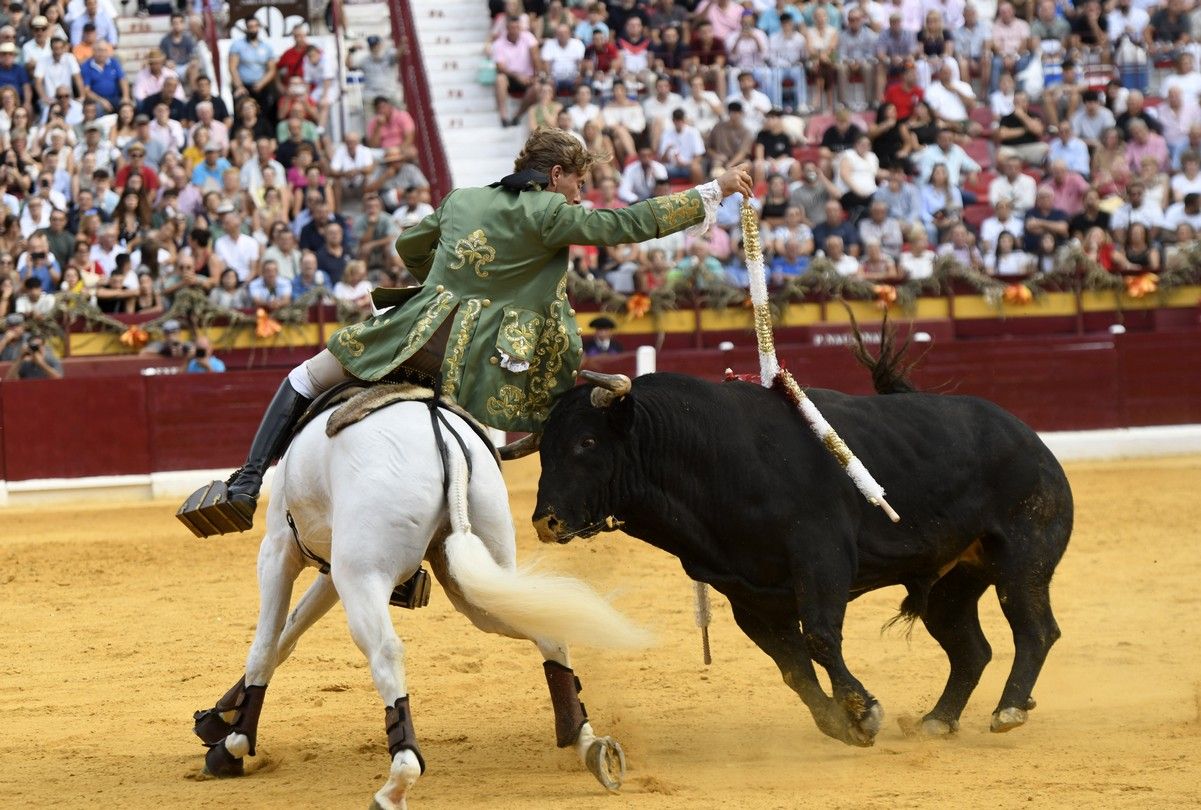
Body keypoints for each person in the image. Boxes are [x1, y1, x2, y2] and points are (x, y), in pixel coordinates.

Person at [177, 129, 753, 535]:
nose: (580, 194)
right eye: (578, 183)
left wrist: (437, 285)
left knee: (306, 377)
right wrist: (713, 190)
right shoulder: (549, 213)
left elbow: (408, 245)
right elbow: (631, 223)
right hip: (481, 366)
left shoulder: (462, 200)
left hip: (409, 336)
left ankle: (248, 483)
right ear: (555, 176)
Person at [0, 312, 63, 379]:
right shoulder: (2, 339)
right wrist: (4, 341)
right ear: (6, 327)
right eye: (11, 326)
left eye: (17, 326)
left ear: (23, 326)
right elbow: (10, 378)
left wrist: (37, 360)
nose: (14, 329)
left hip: (29, 369)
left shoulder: (30, 338)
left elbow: (59, 378)